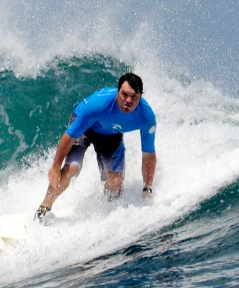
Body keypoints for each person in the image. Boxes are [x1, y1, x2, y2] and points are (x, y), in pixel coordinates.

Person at [36, 72, 157, 220]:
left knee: (116, 183)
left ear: (141, 96)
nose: (128, 100)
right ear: (118, 92)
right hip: (85, 126)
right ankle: (44, 208)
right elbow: (69, 136)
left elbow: (149, 153)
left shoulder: (146, 117)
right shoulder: (99, 105)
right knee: (71, 168)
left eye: (134, 97)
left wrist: (147, 187)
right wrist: (55, 167)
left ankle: (106, 211)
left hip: (110, 133)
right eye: (124, 94)